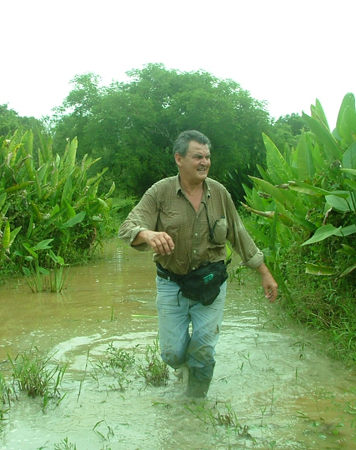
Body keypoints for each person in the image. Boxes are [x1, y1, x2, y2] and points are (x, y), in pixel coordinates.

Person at [118, 130, 278, 398]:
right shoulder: (160, 192)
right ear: (179, 158)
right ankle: (186, 370)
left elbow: (239, 234)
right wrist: (148, 234)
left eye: (207, 157)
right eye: (197, 156)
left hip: (210, 284)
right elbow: (127, 227)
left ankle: (195, 412)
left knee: (203, 349)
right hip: (172, 284)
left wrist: (264, 272)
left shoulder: (219, 193)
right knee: (171, 353)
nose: (204, 162)